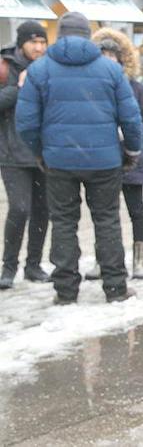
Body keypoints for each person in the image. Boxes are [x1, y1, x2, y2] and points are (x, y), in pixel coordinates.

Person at [16, 12, 143, 304]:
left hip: (59, 162)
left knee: (63, 222)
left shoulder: (40, 70)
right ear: (88, 36)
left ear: (59, 35)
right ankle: (115, 287)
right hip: (105, 161)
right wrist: (132, 151)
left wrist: (41, 151)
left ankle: (65, 291)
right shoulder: (109, 70)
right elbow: (131, 118)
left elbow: (25, 122)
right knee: (107, 220)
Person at [84, 29, 143, 281]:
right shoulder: (93, 90)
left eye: (111, 55)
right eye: (102, 55)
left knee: (136, 211)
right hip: (103, 160)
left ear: (122, 58)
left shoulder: (137, 90)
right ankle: (102, 259)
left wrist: (129, 134)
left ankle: (139, 261)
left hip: (132, 160)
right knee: (105, 213)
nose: (108, 60)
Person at [0, 21, 51, 290]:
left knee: (43, 211)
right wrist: (20, 88)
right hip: (11, 152)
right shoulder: (5, 67)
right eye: (34, 42)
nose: (39, 47)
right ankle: (8, 268)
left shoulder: (48, 67)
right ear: (22, 44)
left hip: (42, 152)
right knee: (20, 209)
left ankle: (34, 265)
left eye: (43, 42)